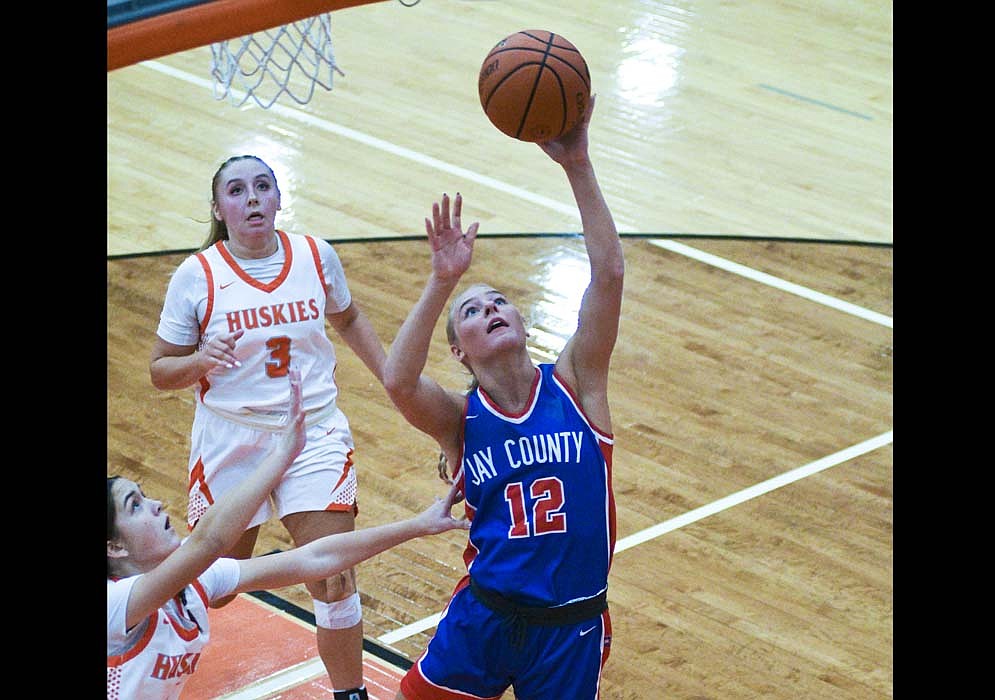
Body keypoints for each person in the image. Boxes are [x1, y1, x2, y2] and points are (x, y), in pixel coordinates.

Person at [383, 95, 624, 700]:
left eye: (498, 301)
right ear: (460, 351)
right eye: (473, 309)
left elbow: (610, 276)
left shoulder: (577, 383)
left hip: (570, 626)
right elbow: (399, 382)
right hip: (485, 618)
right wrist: (443, 281)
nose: (489, 308)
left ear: (519, 319)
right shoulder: (460, 420)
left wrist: (578, 165)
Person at [149, 154, 387, 700]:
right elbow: (161, 371)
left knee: (332, 573)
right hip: (232, 439)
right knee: (217, 584)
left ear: (279, 199)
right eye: (237, 190)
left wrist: (393, 378)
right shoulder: (198, 274)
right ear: (219, 207)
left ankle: (350, 694)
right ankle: (130, 634)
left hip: (312, 432)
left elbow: (346, 316)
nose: (252, 197)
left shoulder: (314, 255)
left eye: (263, 186)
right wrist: (199, 362)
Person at [108, 368, 470, 700]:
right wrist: (281, 455)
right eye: (134, 506)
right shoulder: (115, 605)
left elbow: (316, 558)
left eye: (144, 494)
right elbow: (209, 541)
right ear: (114, 546)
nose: (155, 504)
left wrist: (416, 526)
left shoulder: (196, 583)